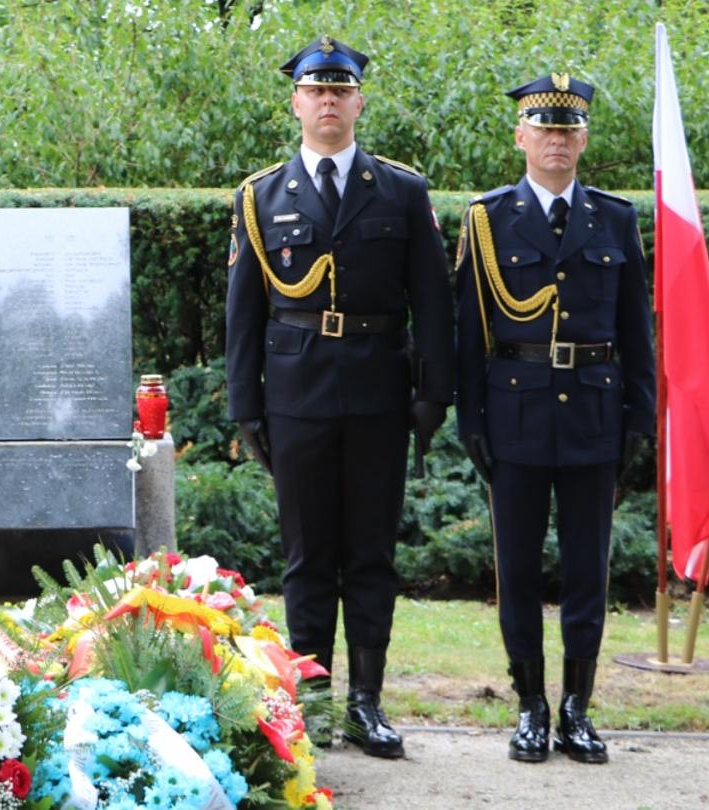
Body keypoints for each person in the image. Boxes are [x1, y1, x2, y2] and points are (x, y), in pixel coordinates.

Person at [224, 35, 454, 759]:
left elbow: (434, 304)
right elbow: (244, 312)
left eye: (340, 90)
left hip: (381, 394)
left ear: (359, 100)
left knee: (371, 557)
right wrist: (245, 407)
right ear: (296, 102)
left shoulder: (403, 191)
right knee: (307, 557)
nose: (328, 102)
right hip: (297, 394)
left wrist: (434, 397)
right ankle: (312, 705)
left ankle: (368, 703)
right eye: (315, 91)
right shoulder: (261, 196)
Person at [453, 73, 654, 764]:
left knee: (585, 573)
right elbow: (468, 332)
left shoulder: (615, 219)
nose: (556, 142)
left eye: (568, 130)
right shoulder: (488, 218)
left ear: (583, 139)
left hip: (595, 415)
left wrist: (640, 416)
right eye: (544, 129)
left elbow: (637, 330)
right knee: (517, 572)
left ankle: (577, 708)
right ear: (521, 137)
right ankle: (531, 705)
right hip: (515, 415)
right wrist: (471, 419)